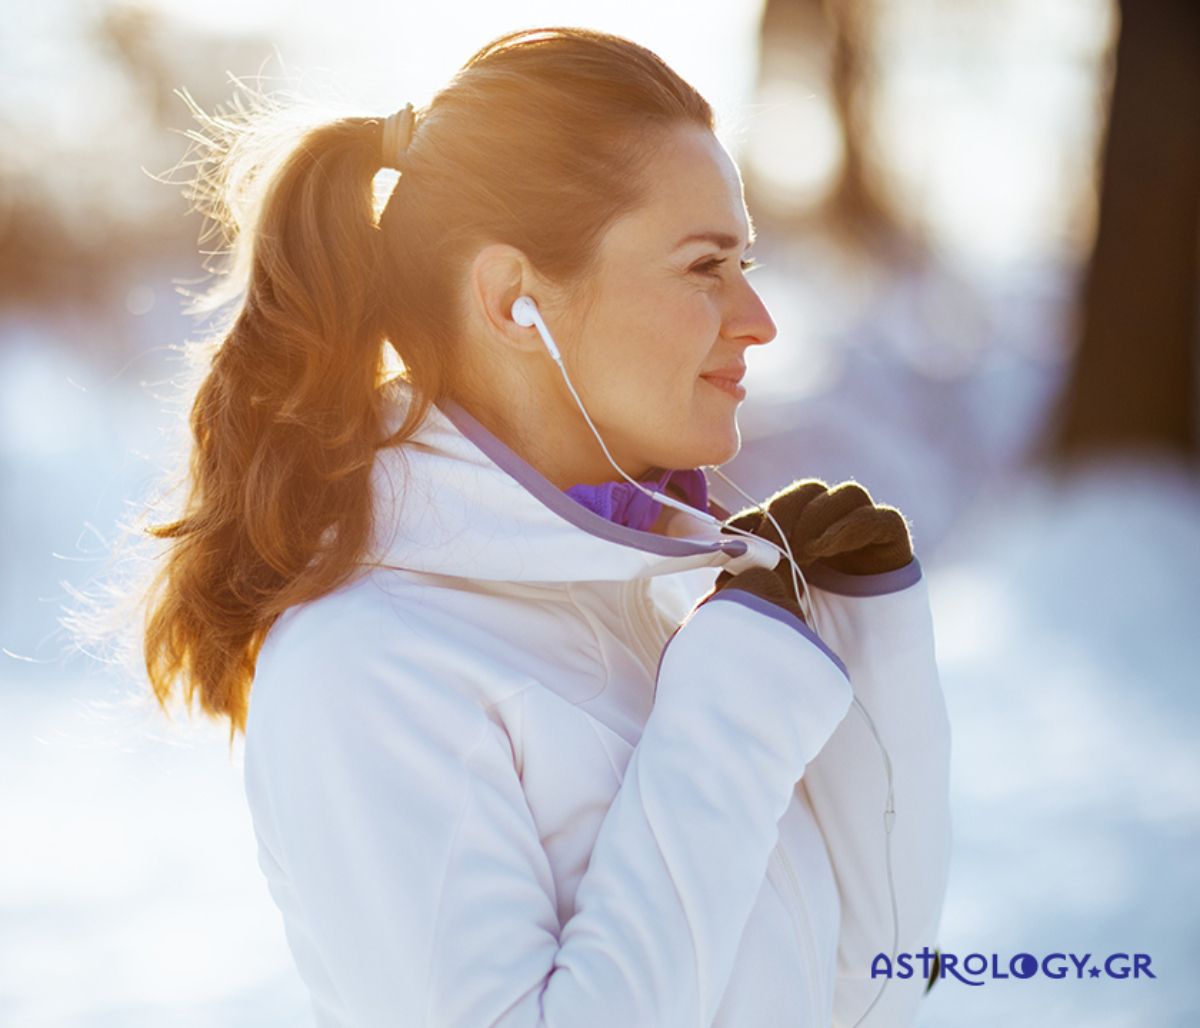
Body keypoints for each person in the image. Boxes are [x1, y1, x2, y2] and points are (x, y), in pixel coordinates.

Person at [128, 25, 951, 1027]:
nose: (757, 317)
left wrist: (871, 651)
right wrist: (733, 709)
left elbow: (866, 997)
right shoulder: (368, 667)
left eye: (748, 260)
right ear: (517, 301)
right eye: (705, 266)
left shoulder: (660, 611)